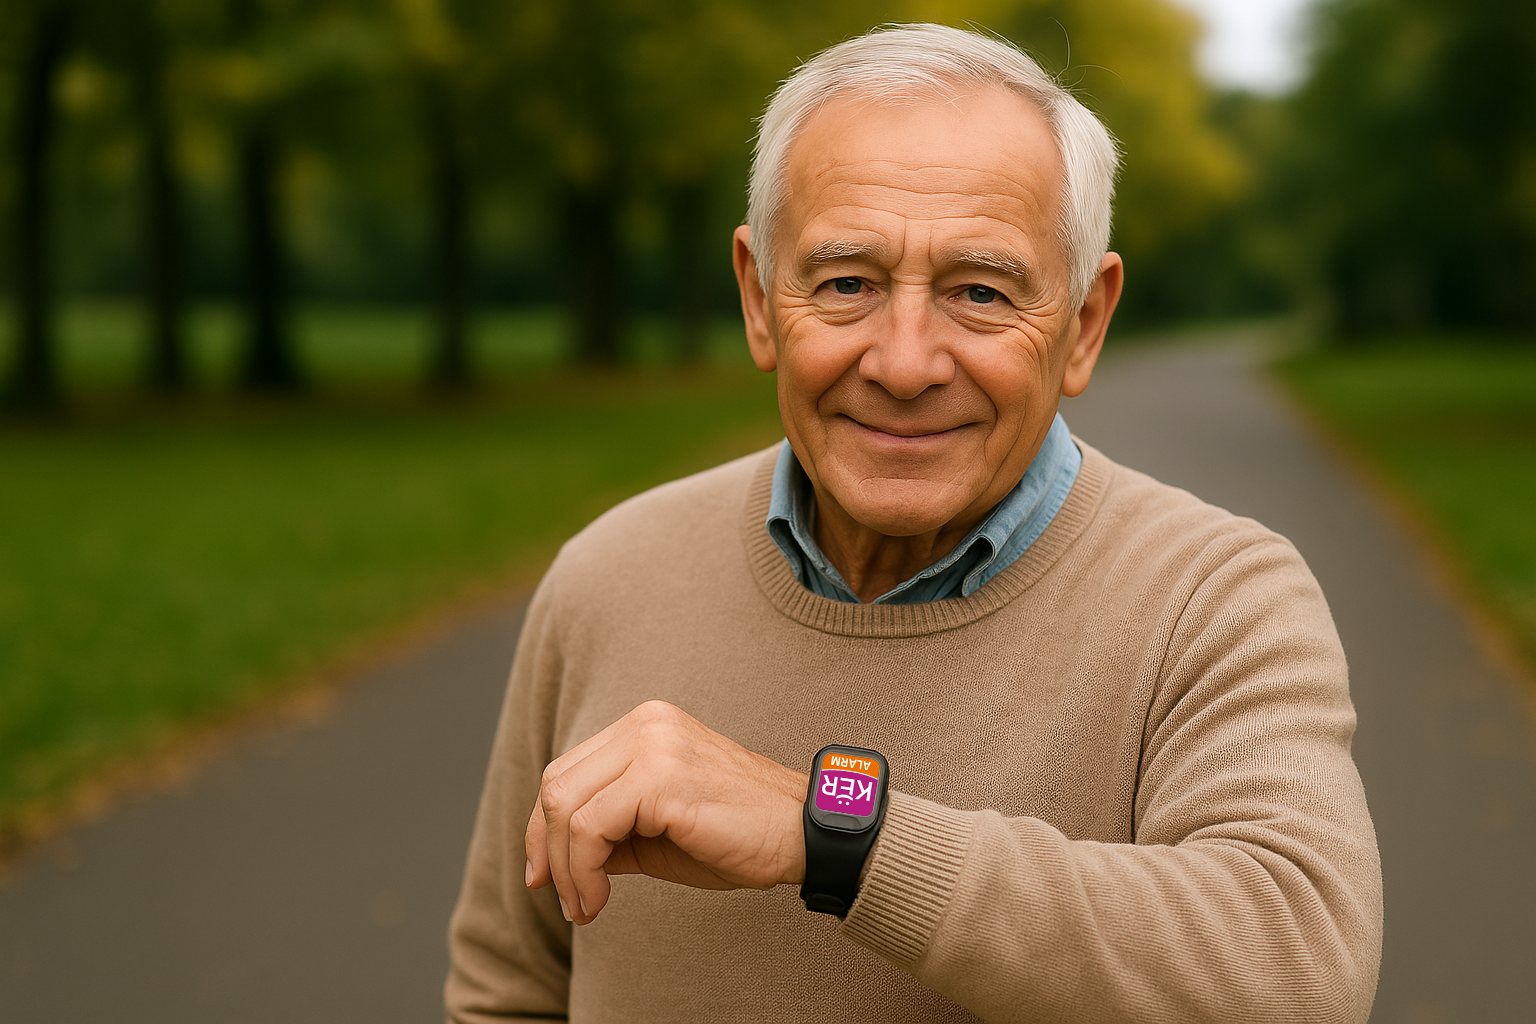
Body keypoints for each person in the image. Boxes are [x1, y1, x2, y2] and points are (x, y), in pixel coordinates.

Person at [446, 23, 1382, 1024]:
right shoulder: (607, 576)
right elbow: (509, 990)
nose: (903, 362)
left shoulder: (1217, 600)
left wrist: (830, 829)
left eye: (979, 292)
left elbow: (1294, 970)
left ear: (1083, 322)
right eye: (847, 282)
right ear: (761, 302)